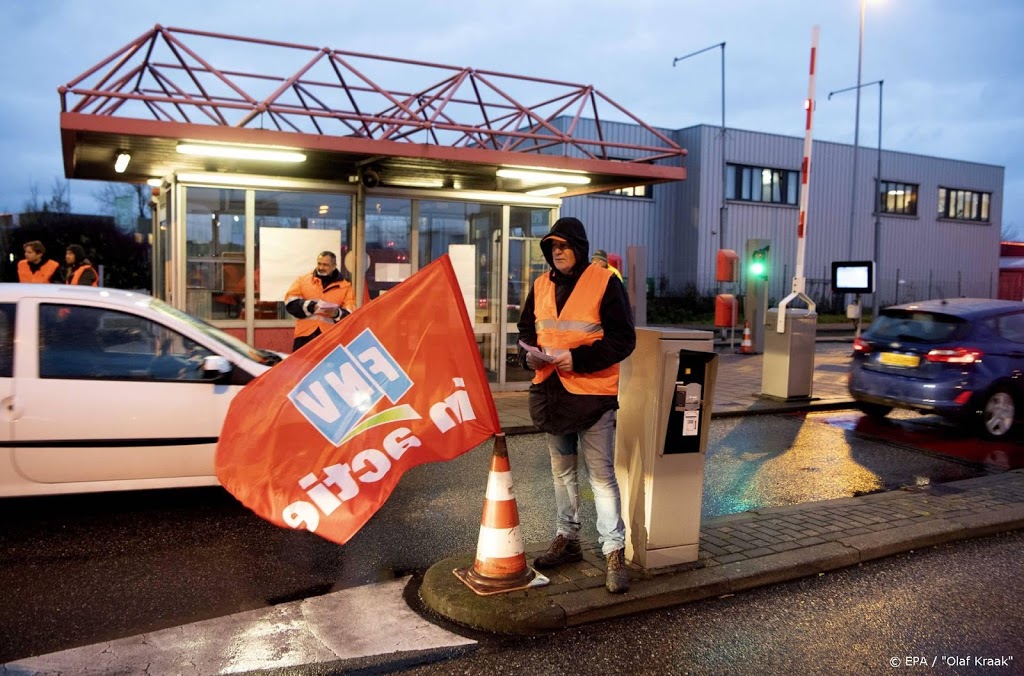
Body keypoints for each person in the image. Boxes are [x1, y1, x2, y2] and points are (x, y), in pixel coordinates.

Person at [517, 217, 636, 594]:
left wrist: (578, 360)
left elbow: (623, 339)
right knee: (563, 473)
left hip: (593, 394)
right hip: (552, 393)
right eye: (552, 247)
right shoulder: (539, 285)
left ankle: (614, 550)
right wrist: (528, 358)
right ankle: (567, 538)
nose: (557, 253)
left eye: (563, 246)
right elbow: (526, 332)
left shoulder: (605, 281)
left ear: (579, 248)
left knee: (601, 476)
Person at [285, 250, 356, 351]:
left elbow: (351, 314)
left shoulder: (345, 287)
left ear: (334, 266)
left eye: (325, 265)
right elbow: (290, 302)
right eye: (319, 264)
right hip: (304, 336)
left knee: (327, 367)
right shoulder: (303, 280)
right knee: (301, 366)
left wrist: (336, 313)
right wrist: (310, 306)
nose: (321, 268)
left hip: (330, 338)